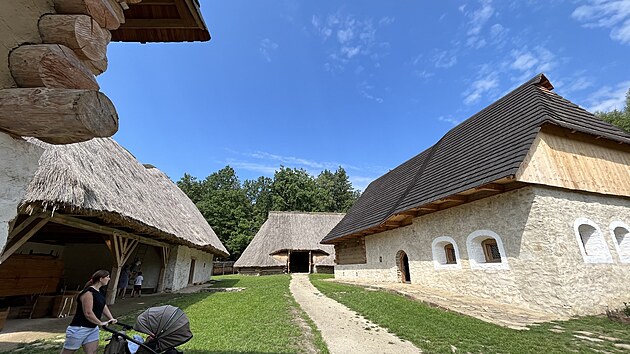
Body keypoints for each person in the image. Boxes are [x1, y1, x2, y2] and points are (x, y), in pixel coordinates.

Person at [61, 270, 117, 354]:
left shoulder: (99, 291)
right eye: (107, 277)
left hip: (92, 328)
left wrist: (111, 318)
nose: (109, 279)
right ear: (101, 279)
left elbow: (103, 306)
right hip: (80, 328)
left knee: (92, 352)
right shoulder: (88, 292)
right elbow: (88, 313)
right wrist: (100, 323)